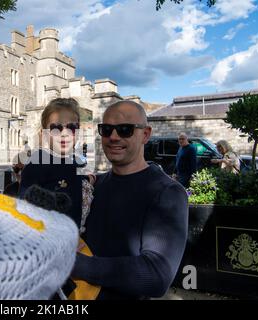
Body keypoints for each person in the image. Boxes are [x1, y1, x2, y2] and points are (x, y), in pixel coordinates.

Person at [71, 100, 188, 300]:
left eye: (125, 129)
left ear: (146, 134)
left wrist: (74, 264)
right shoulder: (94, 185)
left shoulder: (167, 192)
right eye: (106, 129)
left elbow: (156, 275)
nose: (113, 137)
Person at [18, 98, 94, 228]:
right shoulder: (38, 163)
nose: (65, 133)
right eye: (55, 128)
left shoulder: (75, 160)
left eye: (72, 127)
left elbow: (74, 180)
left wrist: (88, 179)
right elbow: (25, 206)